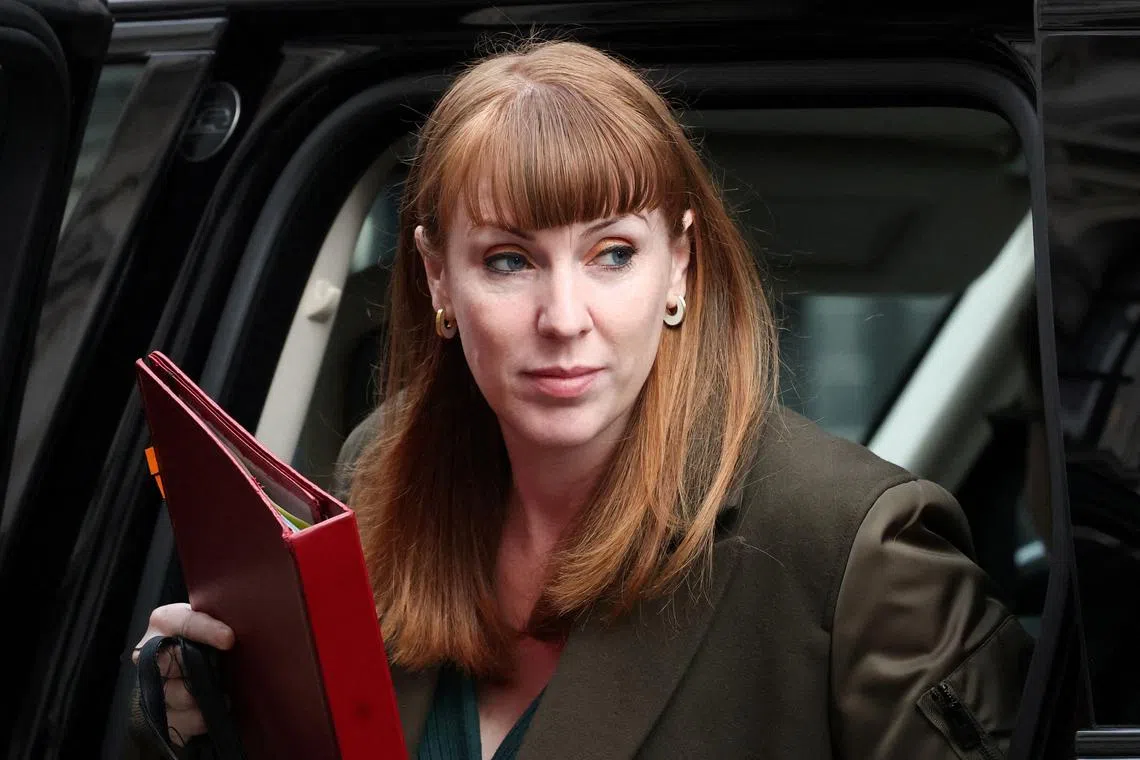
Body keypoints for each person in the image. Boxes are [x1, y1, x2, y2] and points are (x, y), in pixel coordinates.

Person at [130, 39, 1033, 760]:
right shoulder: (380, 473)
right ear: (438, 277)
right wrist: (212, 717)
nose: (564, 318)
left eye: (612, 255)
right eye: (508, 261)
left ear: (679, 265)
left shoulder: (854, 550)